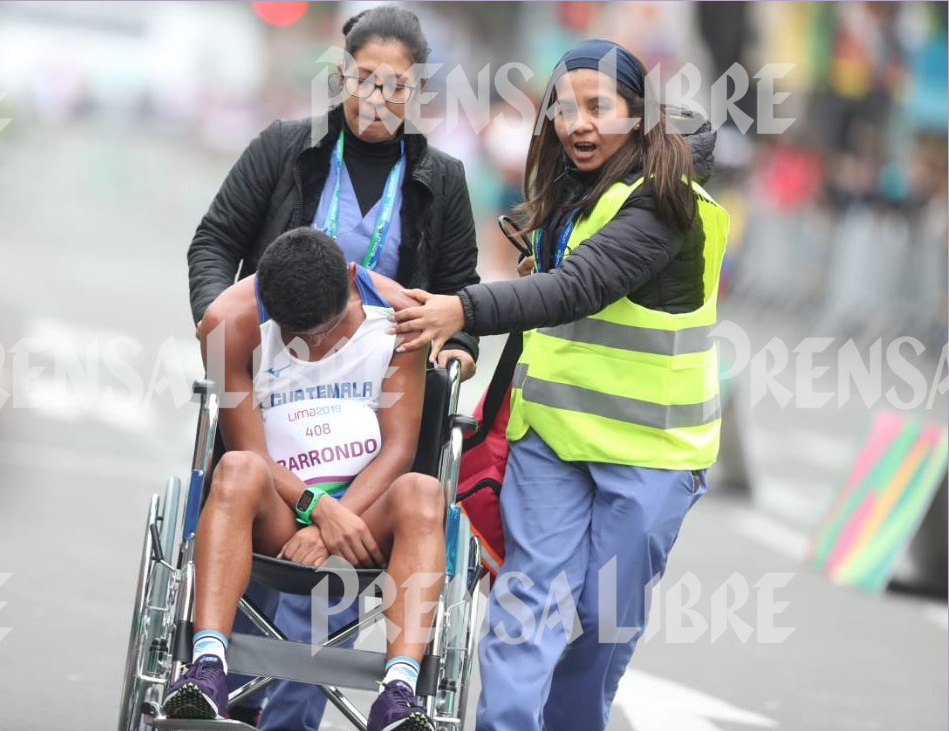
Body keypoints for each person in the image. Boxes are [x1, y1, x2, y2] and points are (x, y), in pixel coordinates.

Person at [389, 39, 728, 731]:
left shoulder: (669, 204)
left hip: (653, 451)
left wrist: (464, 309)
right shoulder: (571, 194)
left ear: (636, 113)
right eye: (564, 108)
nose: (577, 122)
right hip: (549, 438)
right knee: (529, 598)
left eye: (597, 107)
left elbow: (579, 288)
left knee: (604, 616)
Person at [188, 9, 478, 723]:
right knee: (250, 496)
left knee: (337, 583)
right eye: (361, 79)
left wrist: (453, 345)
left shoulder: (441, 180)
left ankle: (323, 706)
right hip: (274, 367)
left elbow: (460, 291)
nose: (376, 96)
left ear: (418, 92)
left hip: (380, 383)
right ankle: (218, 674)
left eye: (394, 85)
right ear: (339, 74)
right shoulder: (287, 148)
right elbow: (215, 241)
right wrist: (219, 322)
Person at [167, 228, 442, 731]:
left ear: (352, 284)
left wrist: (335, 522)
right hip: (278, 513)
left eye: (326, 328)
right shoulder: (228, 324)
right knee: (236, 468)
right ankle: (206, 668)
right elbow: (250, 449)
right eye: (296, 332)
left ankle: (399, 693)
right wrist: (318, 509)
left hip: (365, 523)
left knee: (424, 491)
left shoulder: (398, 320)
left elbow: (399, 449)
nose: (313, 343)